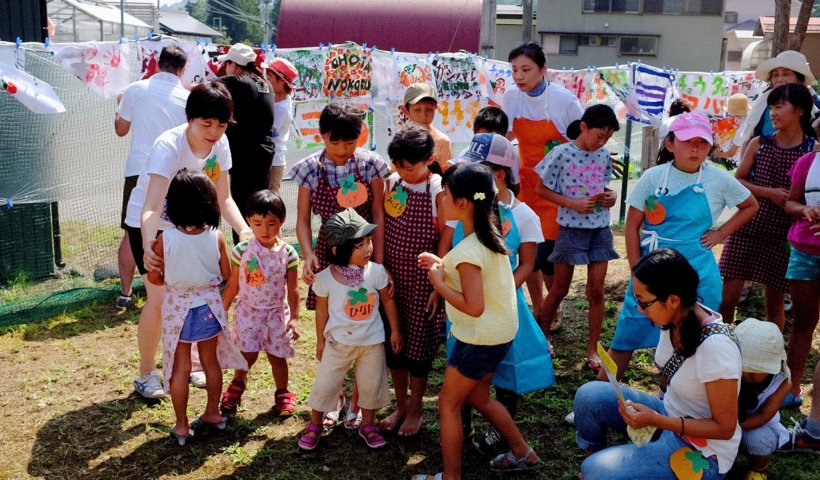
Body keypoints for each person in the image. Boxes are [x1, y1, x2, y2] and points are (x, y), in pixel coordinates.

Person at [602, 111, 757, 381]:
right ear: (671, 144)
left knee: (693, 340)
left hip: (697, 272)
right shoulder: (653, 177)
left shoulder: (718, 179)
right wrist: (637, 268)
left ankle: (676, 399)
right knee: (627, 333)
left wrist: (720, 233)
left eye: (703, 142)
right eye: (688, 141)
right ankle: (602, 391)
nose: (696, 148)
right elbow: (631, 225)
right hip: (652, 268)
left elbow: (750, 205)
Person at [124, 81, 249, 399]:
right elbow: (151, 207)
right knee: (160, 299)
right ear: (190, 118)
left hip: (193, 229)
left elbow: (225, 199)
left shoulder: (220, 145)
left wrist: (245, 231)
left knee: (196, 295)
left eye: (221, 124)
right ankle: (147, 374)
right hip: (154, 228)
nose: (214, 131)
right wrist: (151, 247)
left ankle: (192, 365)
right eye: (206, 123)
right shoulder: (169, 145)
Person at [415, 163, 539, 480]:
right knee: (479, 396)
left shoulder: (468, 250)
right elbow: (472, 277)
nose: (440, 199)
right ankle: (523, 451)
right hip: (499, 334)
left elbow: (473, 306)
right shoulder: (490, 237)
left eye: (444, 194)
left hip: (479, 337)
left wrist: (438, 283)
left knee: (448, 404)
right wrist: (443, 264)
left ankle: (451, 476)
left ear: (463, 204)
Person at [572, 248, 742, 480]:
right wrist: (656, 416)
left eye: (643, 302)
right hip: (669, 415)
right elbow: (668, 374)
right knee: (589, 395)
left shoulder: (717, 349)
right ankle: (605, 463)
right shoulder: (676, 317)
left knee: (595, 471)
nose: (639, 310)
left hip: (702, 450)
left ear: (673, 300)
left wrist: (657, 420)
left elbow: (725, 428)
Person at [448, 134, 554, 457]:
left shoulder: (523, 216)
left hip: (505, 305)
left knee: (506, 372)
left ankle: (498, 434)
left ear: (499, 174)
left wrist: (502, 286)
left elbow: (528, 264)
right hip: (473, 304)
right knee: (468, 375)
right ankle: (461, 425)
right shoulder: (467, 211)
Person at [289, 102, 389, 426]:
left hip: (366, 254)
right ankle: (335, 397)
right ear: (322, 136)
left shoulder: (372, 164)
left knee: (366, 326)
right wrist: (307, 254)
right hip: (329, 258)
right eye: (336, 142)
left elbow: (378, 214)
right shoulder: (309, 169)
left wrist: (379, 257)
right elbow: (303, 220)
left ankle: (359, 402)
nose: (345, 149)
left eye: (351, 141)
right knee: (333, 326)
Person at [145, 171, 247, 446]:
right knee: (210, 362)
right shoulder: (216, 236)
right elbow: (226, 273)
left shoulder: (164, 240)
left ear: (172, 205)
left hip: (178, 309)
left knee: (180, 368)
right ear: (210, 203)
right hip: (209, 307)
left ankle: (180, 425)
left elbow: (155, 277)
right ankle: (213, 412)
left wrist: (170, 276)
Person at [297, 209, 402, 451]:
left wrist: (395, 331)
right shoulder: (325, 279)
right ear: (337, 250)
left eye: (369, 242)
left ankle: (367, 424)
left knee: (371, 384)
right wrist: (320, 341)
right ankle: (314, 425)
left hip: (371, 343)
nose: (368, 249)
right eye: (360, 245)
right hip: (337, 344)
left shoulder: (376, 272)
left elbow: (388, 301)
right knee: (326, 384)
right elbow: (321, 311)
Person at [719, 84, 817, 329]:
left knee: (774, 305)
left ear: (800, 111)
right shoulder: (758, 143)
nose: (773, 113)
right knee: (726, 300)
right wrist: (768, 193)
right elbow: (738, 180)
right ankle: (721, 349)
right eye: (771, 107)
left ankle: (773, 361)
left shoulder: (811, 149)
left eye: (779, 107)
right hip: (746, 228)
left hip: (783, 235)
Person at [502, 42, 583, 322]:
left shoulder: (564, 100)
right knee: (528, 248)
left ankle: (552, 305)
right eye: (514, 70)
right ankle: (539, 307)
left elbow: (581, 142)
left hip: (557, 187)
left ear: (543, 69)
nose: (519, 76)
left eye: (526, 69)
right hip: (526, 184)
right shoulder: (512, 96)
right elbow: (506, 136)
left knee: (547, 252)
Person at [535, 104, 620, 370]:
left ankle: (593, 349)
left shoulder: (604, 155)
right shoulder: (561, 153)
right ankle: (543, 337)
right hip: (571, 228)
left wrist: (611, 196)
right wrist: (571, 203)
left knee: (596, 290)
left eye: (607, 137)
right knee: (559, 288)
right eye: (598, 135)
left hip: (600, 228)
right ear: (583, 126)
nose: (602, 142)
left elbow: (602, 186)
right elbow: (541, 189)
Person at [379, 125, 445, 437]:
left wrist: (437, 282)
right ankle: (401, 403)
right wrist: (381, 267)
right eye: (398, 166)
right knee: (394, 345)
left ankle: (416, 406)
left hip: (422, 282)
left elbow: (445, 235)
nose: (403, 173)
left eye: (410, 167)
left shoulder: (437, 189)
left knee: (418, 349)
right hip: (392, 279)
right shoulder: (392, 183)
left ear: (429, 159)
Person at [114, 45, 189, 311]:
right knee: (172, 231)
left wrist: (119, 105)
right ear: (182, 69)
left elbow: (120, 130)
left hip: (139, 169)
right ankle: (169, 289)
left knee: (132, 230)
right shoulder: (186, 97)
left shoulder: (136, 88)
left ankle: (125, 293)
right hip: (172, 172)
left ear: (158, 64)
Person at [220, 190, 300, 416]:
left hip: (276, 314)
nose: (265, 230)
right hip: (248, 313)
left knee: (277, 356)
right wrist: (222, 309)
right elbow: (233, 284)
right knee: (247, 354)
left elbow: (293, 289)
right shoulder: (241, 251)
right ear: (248, 222)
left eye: (271, 224)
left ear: (282, 221)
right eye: (258, 223)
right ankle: (238, 382)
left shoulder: (289, 253)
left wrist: (294, 317)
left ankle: (282, 393)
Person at [216, 43, 276, 243]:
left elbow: (204, 88)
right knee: (259, 208)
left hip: (245, 156)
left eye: (228, 64)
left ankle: (246, 256)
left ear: (234, 65)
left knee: (242, 209)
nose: (226, 68)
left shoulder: (239, 81)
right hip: (262, 155)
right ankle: (262, 251)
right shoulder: (264, 83)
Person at [780, 146, 820, 408]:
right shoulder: (808, 163)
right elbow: (790, 202)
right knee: (803, 323)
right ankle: (791, 389)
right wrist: (803, 210)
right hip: (804, 252)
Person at [733, 318, 791, 480]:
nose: (745, 374)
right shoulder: (727, 370)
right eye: (742, 368)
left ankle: (759, 469)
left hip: (754, 426)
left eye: (753, 371)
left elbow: (764, 415)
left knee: (760, 440)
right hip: (720, 420)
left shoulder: (783, 383)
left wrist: (729, 427)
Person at [734, 50, 817, 158]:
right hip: (763, 165)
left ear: (799, 78)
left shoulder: (815, 106)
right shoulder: (762, 103)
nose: (779, 79)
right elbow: (749, 137)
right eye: (775, 75)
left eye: (786, 74)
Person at [261, 58, 298, 194]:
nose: (266, 80)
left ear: (281, 81)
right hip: (269, 157)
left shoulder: (282, 108)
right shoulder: (275, 98)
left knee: (270, 197)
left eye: (269, 78)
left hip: (274, 161)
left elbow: (265, 130)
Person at [403, 83, 452, 172]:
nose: (424, 116)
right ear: (406, 110)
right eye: (417, 110)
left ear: (435, 108)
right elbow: (395, 179)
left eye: (429, 109)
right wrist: (401, 187)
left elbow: (446, 178)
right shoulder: (400, 141)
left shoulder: (442, 141)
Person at [712, 93, 751, 168]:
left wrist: (719, 154)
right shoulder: (748, 118)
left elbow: (731, 153)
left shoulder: (742, 130)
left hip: (738, 162)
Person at [657, 99, 691, 164]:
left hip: (664, 160)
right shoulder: (689, 122)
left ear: (671, 111)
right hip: (684, 160)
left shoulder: (666, 122)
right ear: (687, 110)